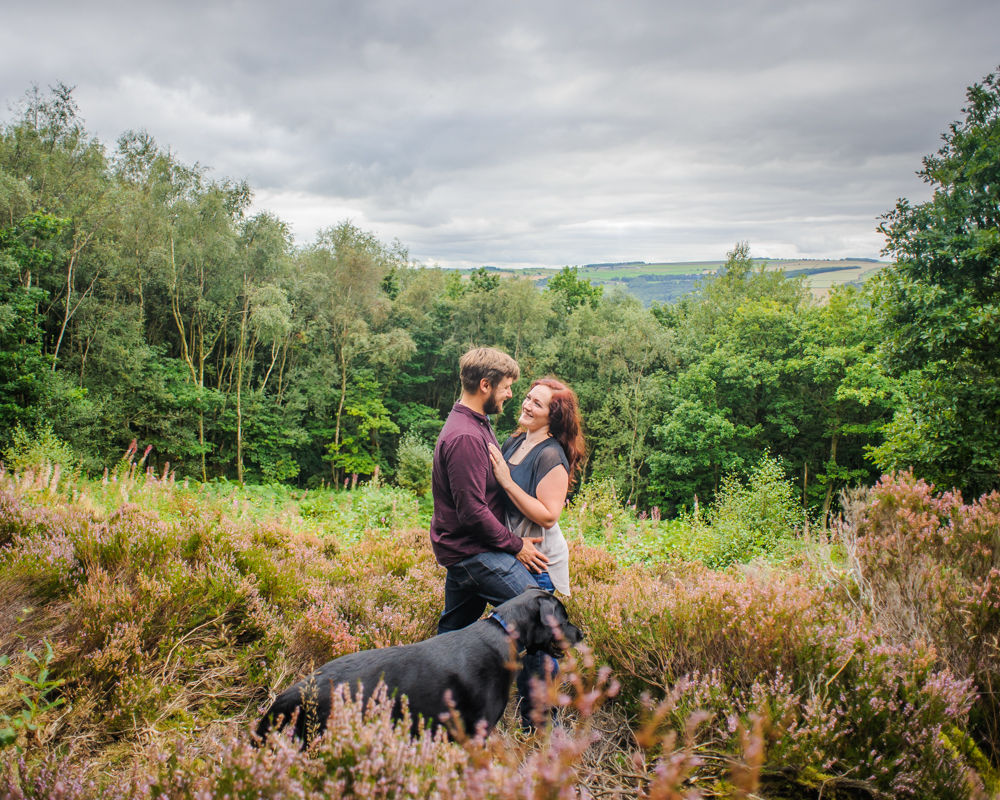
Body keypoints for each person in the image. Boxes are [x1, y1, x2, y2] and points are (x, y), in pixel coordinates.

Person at [430, 347, 549, 636]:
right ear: (485, 385)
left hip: (467, 549)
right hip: (474, 553)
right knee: (537, 613)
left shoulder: (474, 422)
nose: (510, 394)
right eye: (506, 387)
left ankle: (441, 681)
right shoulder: (465, 437)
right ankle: (538, 683)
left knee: (454, 636)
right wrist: (516, 545)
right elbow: (472, 512)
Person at [487, 377, 585, 598]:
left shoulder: (550, 455)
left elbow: (549, 517)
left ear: (554, 417)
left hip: (539, 562)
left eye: (537, 404)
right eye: (528, 398)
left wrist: (507, 482)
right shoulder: (515, 442)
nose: (527, 405)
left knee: (529, 630)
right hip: (514, 552)